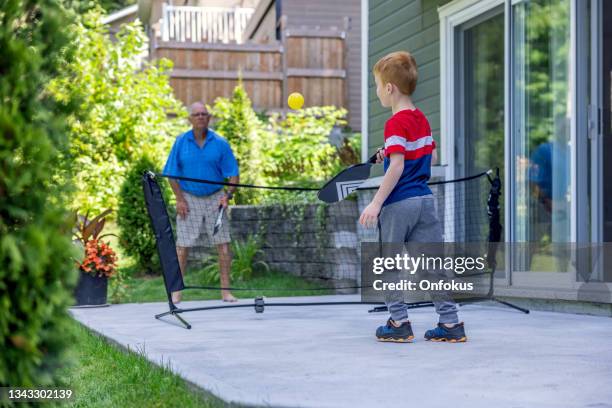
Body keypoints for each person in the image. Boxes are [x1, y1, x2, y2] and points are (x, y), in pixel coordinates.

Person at [359, 51, 467, 343]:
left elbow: (397, 165)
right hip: (425, 200)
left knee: (389, 265)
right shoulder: (422, 120)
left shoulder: (394, 123)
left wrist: (376, 202)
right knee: (433, 265)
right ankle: (450, 323)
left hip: (398, 204)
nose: (377, 92)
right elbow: (429, 158)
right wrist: (393, 154)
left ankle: (399, 323)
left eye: (378, 86)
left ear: (390, 88)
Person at [164, 102, 239, 303]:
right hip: (188, 197)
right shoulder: (181, 142)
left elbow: (233, 175)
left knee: (223, 245)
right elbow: (171, 174)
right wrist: (179, 199)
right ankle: (177, 292)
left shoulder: (220, 143)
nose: (200, 117)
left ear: (209, 117)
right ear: (190, 119)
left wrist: (227, 195)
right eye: (196, 114)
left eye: (204, 114)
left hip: (216, 198)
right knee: (182, 246)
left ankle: (226, 292)